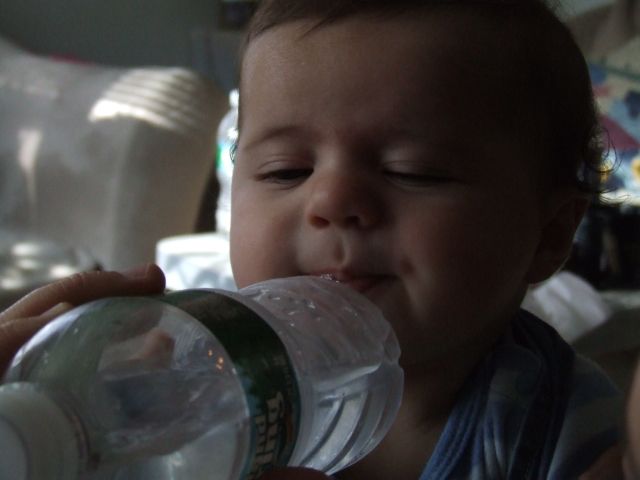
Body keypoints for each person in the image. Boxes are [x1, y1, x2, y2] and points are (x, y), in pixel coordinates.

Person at [0, 0, 625, 478]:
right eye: (286, 171)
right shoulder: (187, 377)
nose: (330, 202)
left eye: (413, 171)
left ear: (549, 234)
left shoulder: (563, 431)